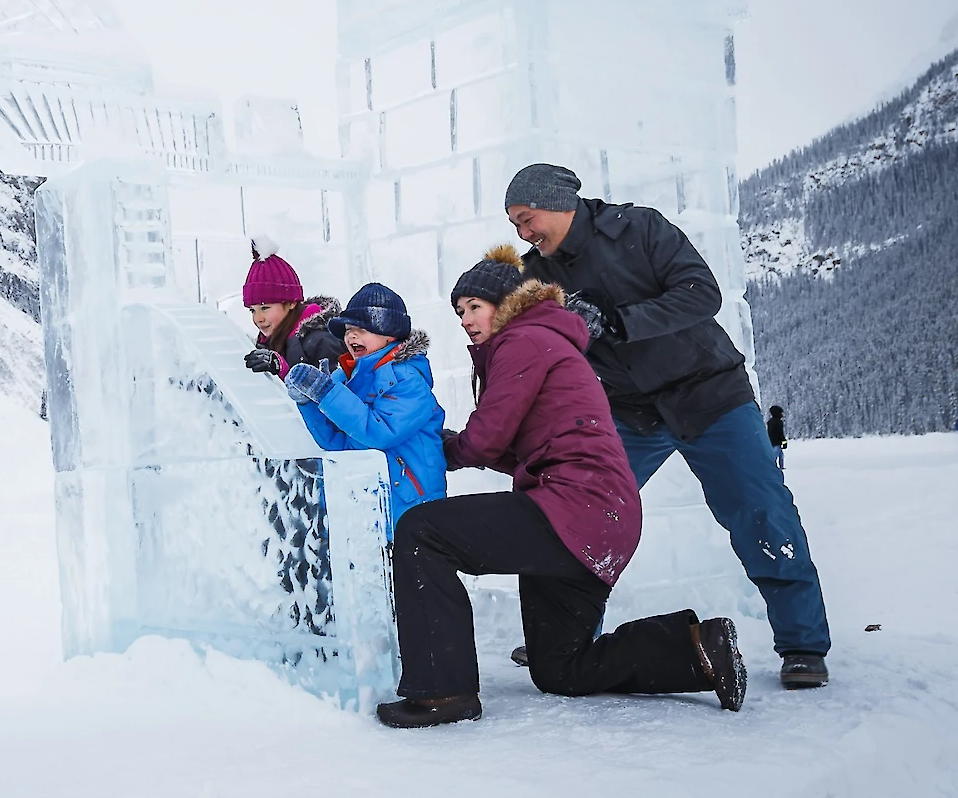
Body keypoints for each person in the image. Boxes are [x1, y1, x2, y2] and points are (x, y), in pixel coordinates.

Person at [377, 247, 747, 728]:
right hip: (600, 519)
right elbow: (511, 449)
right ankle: (697, 648)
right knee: (562, 667)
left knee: (421, 531)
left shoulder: (523, 339)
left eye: (474, 307)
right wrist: (453, 445)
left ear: (506, 302)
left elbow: (487, 438)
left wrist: (432, 450)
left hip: (574, 507)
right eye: (459, 311)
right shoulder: (545, 341)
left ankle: (441, 692)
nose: (466, 319)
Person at [505, 163, 831, 690]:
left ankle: (803, 644)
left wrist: (616, 319)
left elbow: (702, 295)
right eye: (515, 223)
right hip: (627, 412)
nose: (523, 232)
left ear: (559, 203)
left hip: (710, 397)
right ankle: (560, 636)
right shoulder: (534, 276)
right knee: (571, 513)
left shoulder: (640, 229)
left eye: (528, 218)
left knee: (761, 513)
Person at [281, 283, 447, 534]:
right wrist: (307, 402)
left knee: (417, 572)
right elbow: (336, 442)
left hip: (413, 505)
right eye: (348, 330)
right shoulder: (347, 377)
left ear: (390, 334)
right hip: (371, 505)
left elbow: (378, 433)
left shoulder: (408, 379)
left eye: (361, 329)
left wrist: (326, 393)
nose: (350, 337)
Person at [240, 235, 346, 378]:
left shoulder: (321, 341)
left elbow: (330, 394)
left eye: (265, 308)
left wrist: (283, 370)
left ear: (291, 303)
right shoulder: (271, 339)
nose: (258, 318)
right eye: (252, 310)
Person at [767, 405, 788, 473]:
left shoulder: (770, 422)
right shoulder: (778, 422)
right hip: (776, 442)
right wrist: (784, 442)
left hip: (771, 442)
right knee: (776, 455)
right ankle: (774, 467)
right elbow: (780, 433)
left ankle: (780, 466)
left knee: (780, 454)